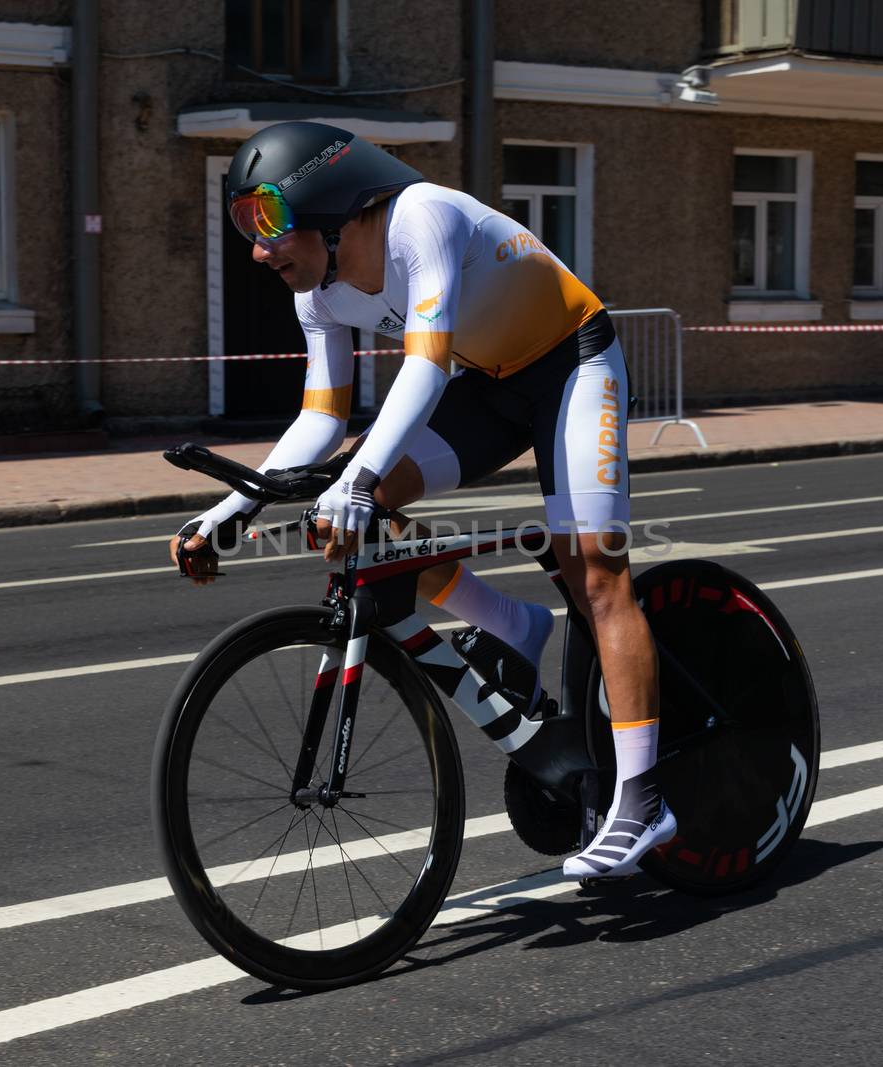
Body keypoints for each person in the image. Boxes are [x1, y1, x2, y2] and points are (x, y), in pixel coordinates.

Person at [170, 122, 674, 879]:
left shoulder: (422, 216)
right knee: (349, 518)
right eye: (244, 224)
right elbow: (320, 418)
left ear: (330, 205)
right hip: (491, 386)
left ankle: (642, 800)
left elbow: (426, 368)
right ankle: (511, 623)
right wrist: (227, 514)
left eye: (267, 220)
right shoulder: (321, 291)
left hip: (571, 363)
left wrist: (357, 479)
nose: (256, 248)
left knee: (596, 575)